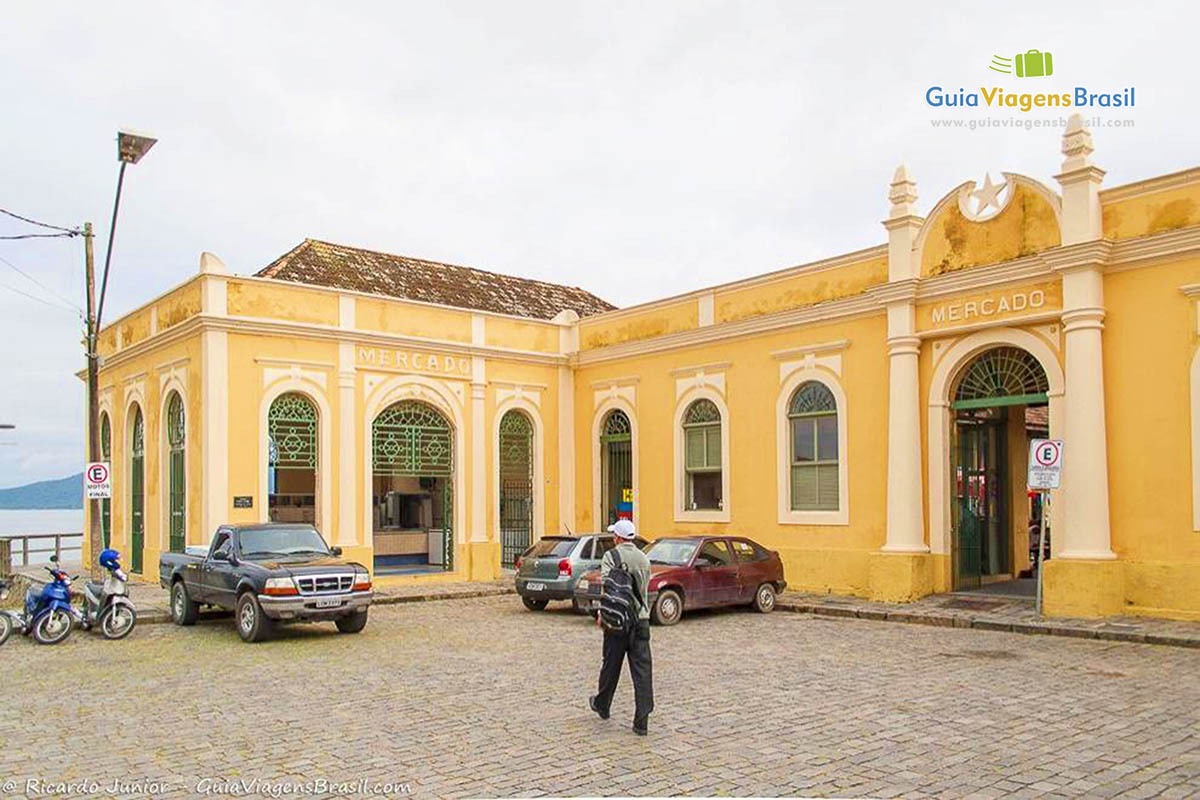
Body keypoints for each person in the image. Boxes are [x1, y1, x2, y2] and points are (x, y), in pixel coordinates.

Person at [588, 518, 654, 735]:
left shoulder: (611, 556)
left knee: (611, 665)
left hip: (617, 620)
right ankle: (641, 720)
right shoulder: (644, 558)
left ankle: (603, 704)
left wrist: (601, 613)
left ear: (617, 537)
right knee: (642, 671)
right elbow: (643, 590)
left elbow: (607, 587)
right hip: (641, 619)